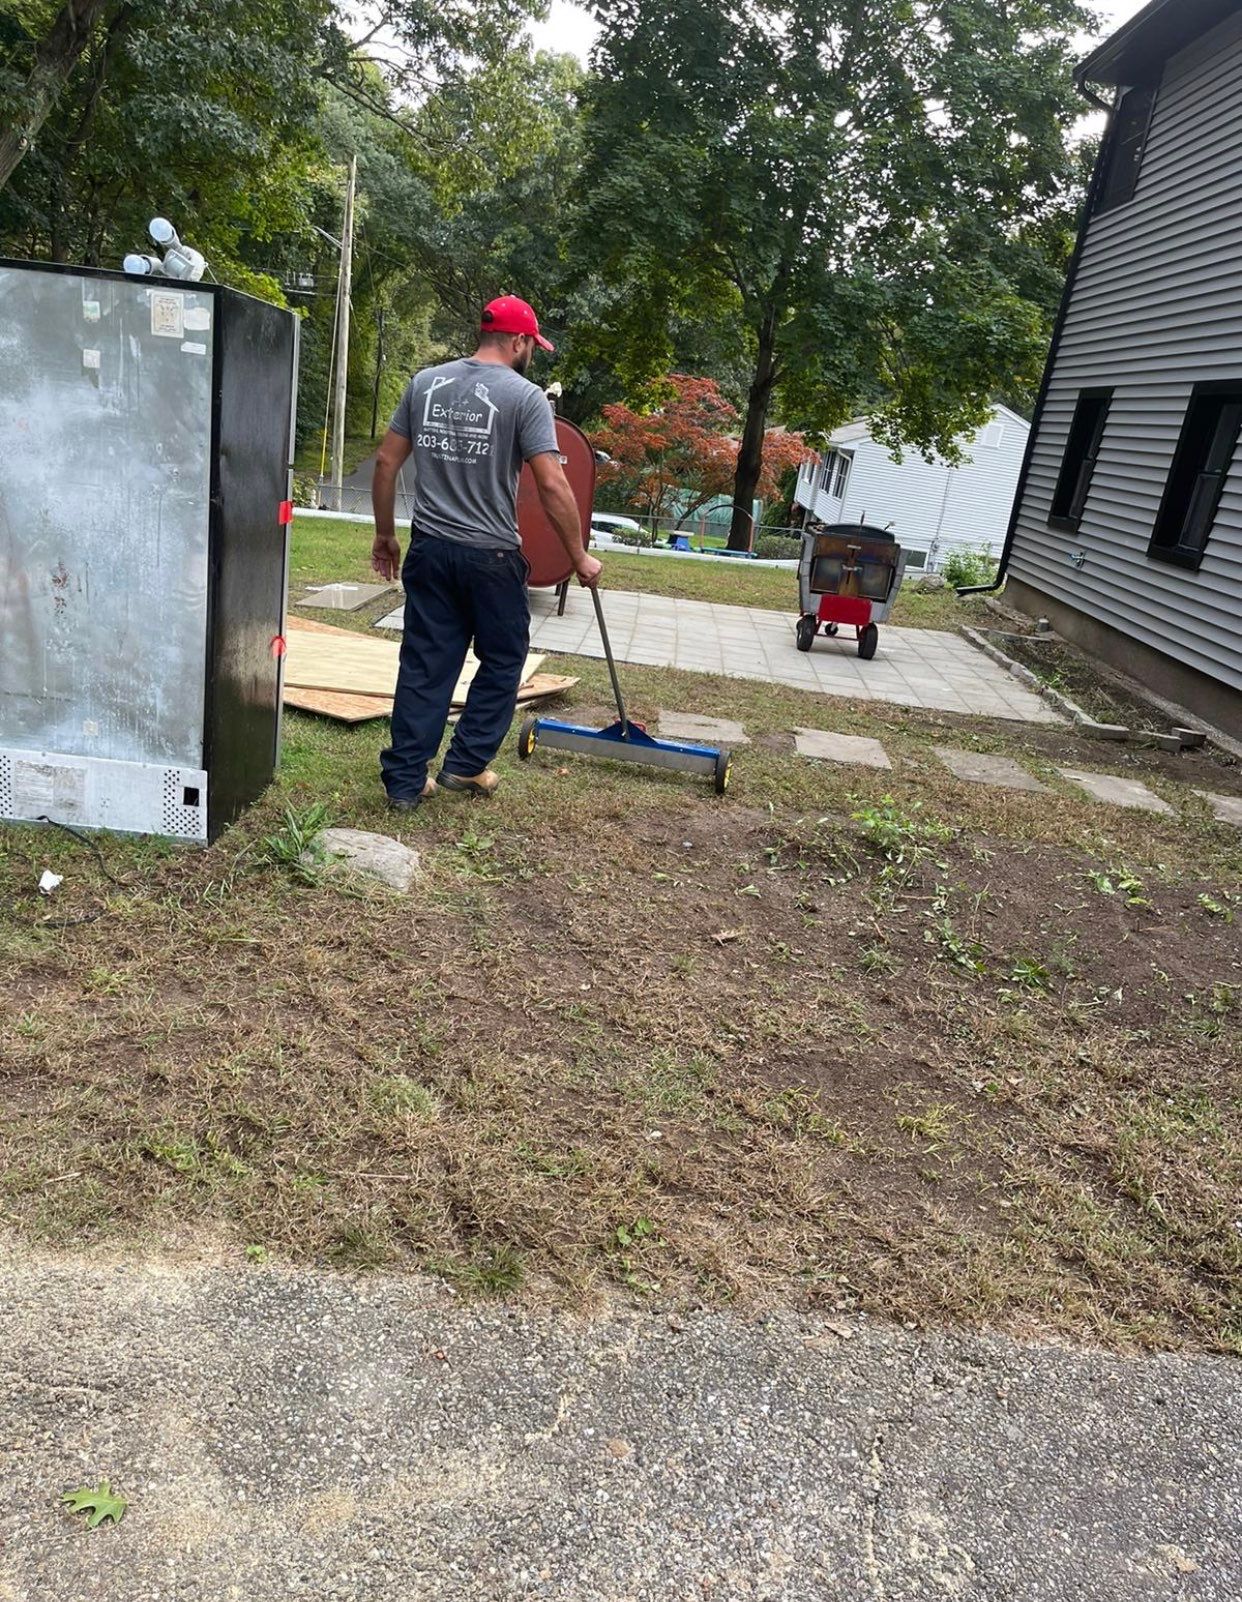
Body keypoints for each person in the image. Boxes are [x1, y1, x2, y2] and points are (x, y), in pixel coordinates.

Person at [370, 296, 602, 811]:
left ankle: (405, 783)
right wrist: (579, 556)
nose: (531, 354)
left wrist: (385, 534)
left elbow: (386, 463)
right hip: (491, 557)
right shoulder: (525, 398)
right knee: (503, 659)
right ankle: (467, 763)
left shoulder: (423, 382)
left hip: (430, 548)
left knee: (427, 664)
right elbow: (553, 486)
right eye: (532, 346)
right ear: (519, 341)